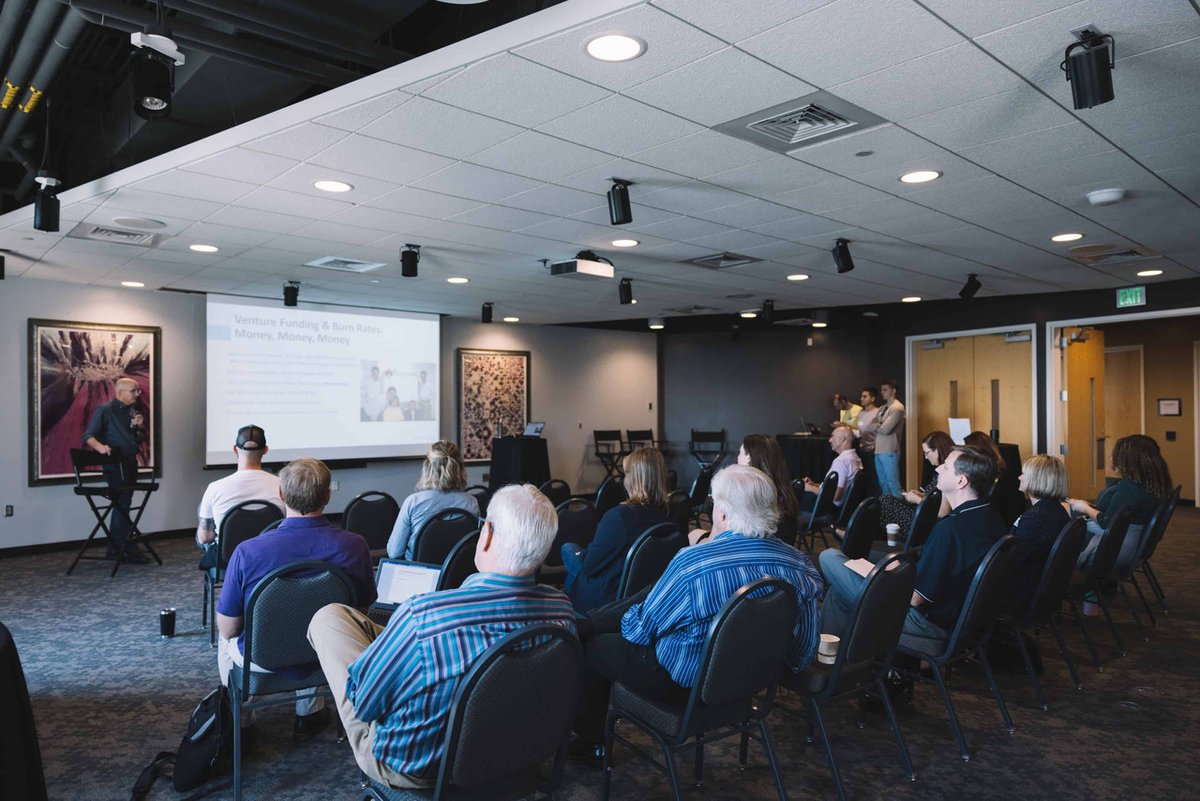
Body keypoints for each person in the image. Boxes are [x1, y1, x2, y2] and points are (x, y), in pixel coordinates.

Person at [306, 484, 575, 790]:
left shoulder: (425, 617)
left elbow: (367, 706)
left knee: (326, 621)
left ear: (486, 535)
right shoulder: (562, 610)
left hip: (419, 769)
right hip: (514, 755)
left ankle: (386, 660)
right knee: (342, 618)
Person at [573, 465, 826, 752]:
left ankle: (590, 743)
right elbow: (803, 652)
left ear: (722, 514)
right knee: (652, 596)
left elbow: (638, 633)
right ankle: (593, 621)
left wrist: (639, 613)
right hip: (750, 682)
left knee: (593, 646)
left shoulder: (694, 564)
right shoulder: (800, 564)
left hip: (684, 686)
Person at [216, 458, 375, 739]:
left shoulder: (248, 552)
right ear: (327, 495)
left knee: (223, 637)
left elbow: (230, 629)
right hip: (327, 654)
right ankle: (310, 711)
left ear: (281, 494)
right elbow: (360, 613)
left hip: (261, 657)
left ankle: (240, 723)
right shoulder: (355, 545)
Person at [820, 446, 1006, 651]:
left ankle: (834, 665)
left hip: (927, 625)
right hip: (963, 623)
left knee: (829, 557)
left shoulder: (951, 529)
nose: (937, 470)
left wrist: (884, 576)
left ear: (961, 481)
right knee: (839, 592)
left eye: (945, 467)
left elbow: (915, 598)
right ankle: (838, 664)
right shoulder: (993, 519)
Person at [563, 447, 670, 612]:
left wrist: (585, 553)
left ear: (636, 479)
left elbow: (590, 566)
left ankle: (573, 612)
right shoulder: (670, 512)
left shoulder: (619, 516)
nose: (624, 481)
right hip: (646, 591)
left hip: (611, 594)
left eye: (626, 474)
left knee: (568, 549)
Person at [1070, 434, 1172, 573]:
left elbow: (1107, 522)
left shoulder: (1131, 489)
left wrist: (1086, 508)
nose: (1112, 458)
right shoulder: (1151, 485)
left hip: (1116, 549)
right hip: (1129, 544)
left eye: (1116, 455)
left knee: (1067, 522)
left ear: (1129, 460)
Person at [195, 425, 285, 569]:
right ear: (266, 450)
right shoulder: (282, 486)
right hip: (270, 557)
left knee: (203, 520)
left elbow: (205, 538)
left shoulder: (215, 488)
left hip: (227, 560)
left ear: (235, 449)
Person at [82, 376, 148, 563]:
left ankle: (116, 548)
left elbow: (137, 439)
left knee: (122, 506)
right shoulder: (105, 410)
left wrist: (138, 427)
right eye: (133, 391)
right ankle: (126, 548)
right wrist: (101, 447)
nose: (137, 394)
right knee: (122, 506)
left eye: (137, 390)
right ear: (120, 393)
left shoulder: (133, 411)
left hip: (129, 462)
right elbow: (88, 435)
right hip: (114, 465)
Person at [386, 441, 479, 560]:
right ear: (459, 468)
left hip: (419, 573)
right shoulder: (471, 502)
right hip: (456, 574)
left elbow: (394, 552)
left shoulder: (413, 502)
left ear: (428, 468)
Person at [1009, 455, 1071, 613]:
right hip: (1042, 589)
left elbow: (1013, 560)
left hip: (1022, 593)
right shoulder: (1056, 509)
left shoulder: (1036, 518)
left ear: (1037, 479)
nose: (1019, 477)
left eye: (1023, 473)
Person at [879, 431, 955, 532]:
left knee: (884, 503)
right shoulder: (941, 471)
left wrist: (917, 500)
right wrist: (922, 495)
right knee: (884, 500)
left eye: (927, 453)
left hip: (928, 522)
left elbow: (942, 514)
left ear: (937, 450)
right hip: (924, 513)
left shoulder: (947, 474)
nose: (926, 457)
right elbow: (936, 499)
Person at [737, 434, 801, 545]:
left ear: (749, 458)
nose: (737, 457)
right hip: (783, 554)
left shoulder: (748, 494)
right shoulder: (785, 490)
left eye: (740, 453)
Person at [799, 426, 862, 510]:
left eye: (832, 436)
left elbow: (835, 496)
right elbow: (833, 489)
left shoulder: (841, 462)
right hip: (839, 506)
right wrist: (814, 485)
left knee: (792, 495)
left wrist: (809, 488)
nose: (830, 440)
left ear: (842, 438)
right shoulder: (855, 458)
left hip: (828, 507)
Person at [874, 379, 906, 497]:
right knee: (883, 484)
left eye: (885, 390)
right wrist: (879, 424)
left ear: (894, 391)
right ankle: (889, 511)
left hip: (890, 450)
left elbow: (885, 429)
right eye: (882, 390)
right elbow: (874, 425)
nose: (882, 392)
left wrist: (877, 425)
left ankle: (901, 512)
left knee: (893, 484)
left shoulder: (897, 407)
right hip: (879, 449)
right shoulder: (882, 408)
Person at [855, 387, 881, 496]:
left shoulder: (878, 412)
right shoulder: (861, 414)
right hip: (861, 450)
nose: (861, 398)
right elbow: (861, 431)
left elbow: (880, 430)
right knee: (864, 479)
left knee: (874, 479)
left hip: (873, 450)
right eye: (861, 396)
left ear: (873, 398)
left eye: (865, 396)